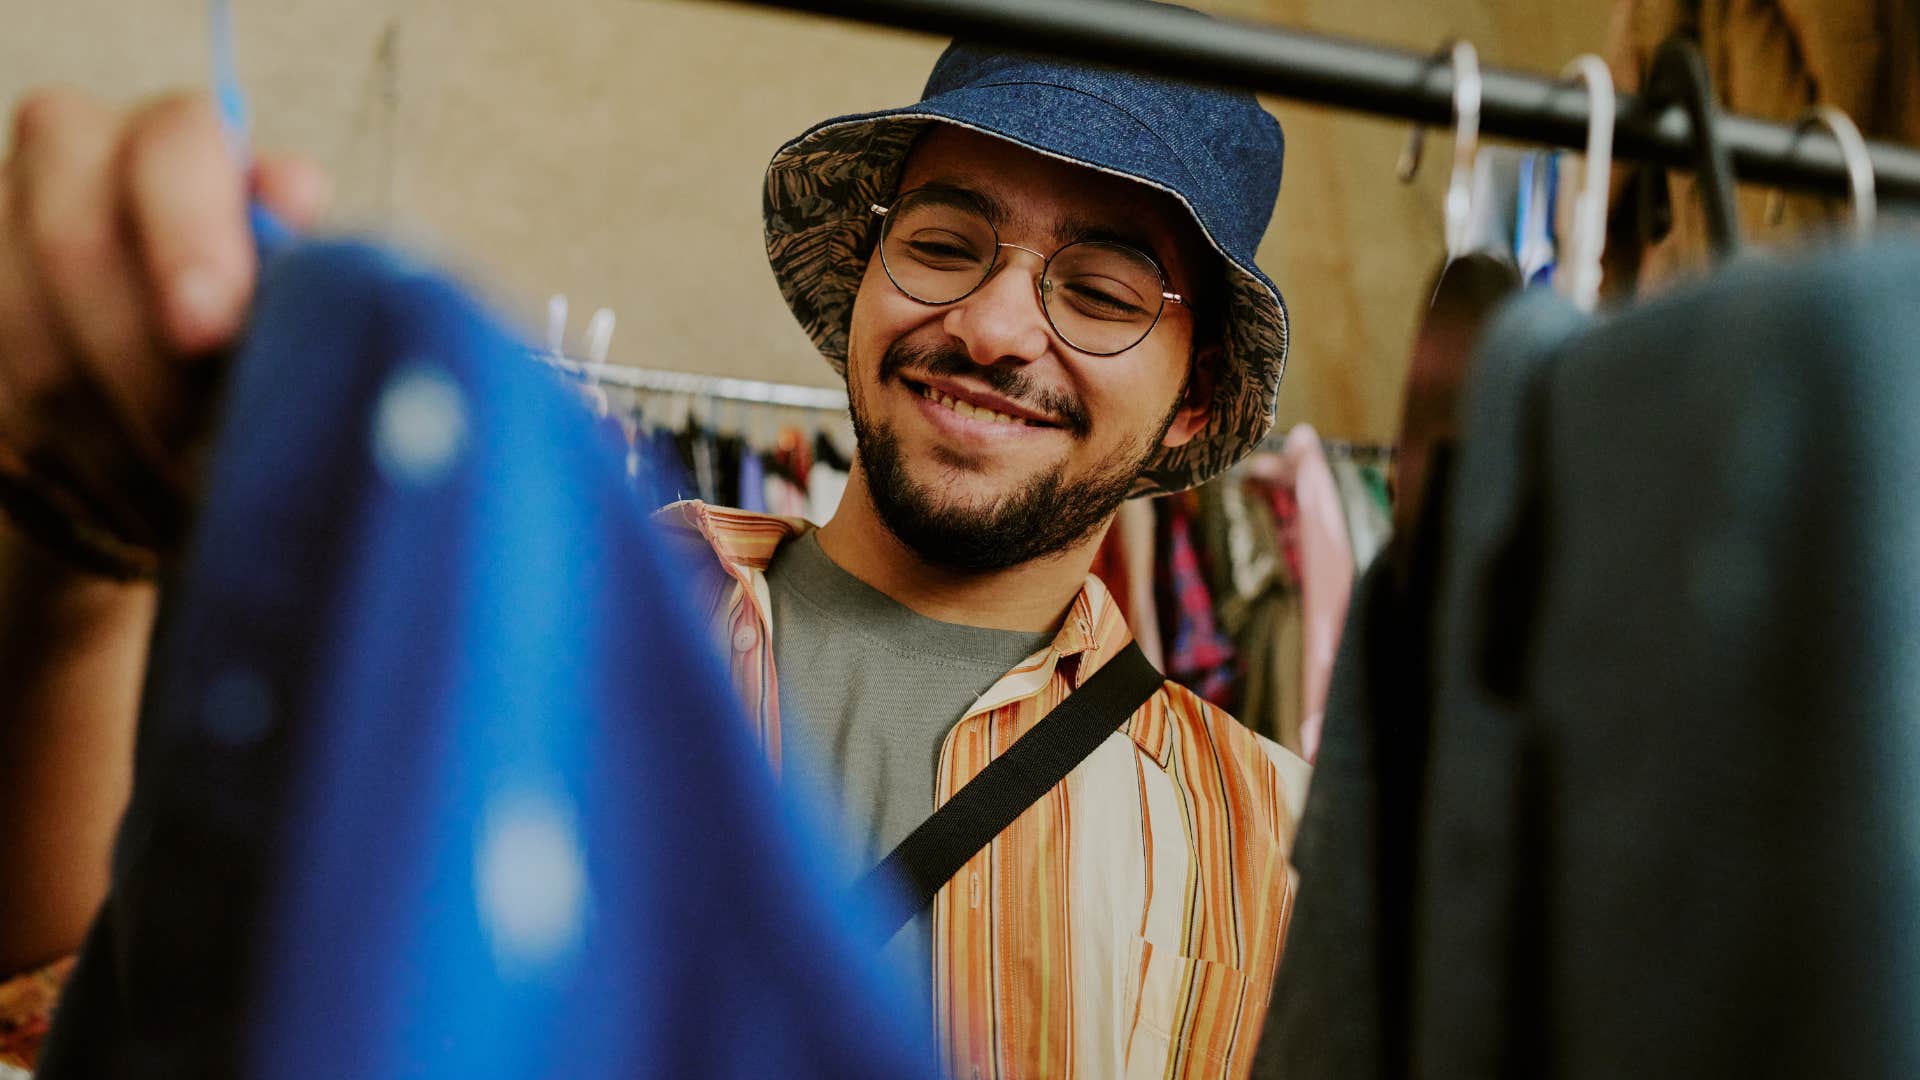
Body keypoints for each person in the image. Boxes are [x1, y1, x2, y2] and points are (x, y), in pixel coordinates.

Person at [0, 13, 1309, 1079]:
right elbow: (64, 1004)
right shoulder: (527, 612)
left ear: (1194, 401)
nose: (995, 328)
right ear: (864, 284)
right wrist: (74, 549)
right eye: (945, 244)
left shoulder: (1275, 840)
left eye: (1101, 291)